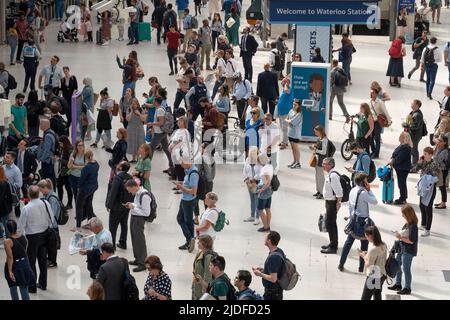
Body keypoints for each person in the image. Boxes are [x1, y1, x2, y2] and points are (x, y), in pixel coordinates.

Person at [18, 185, 56, 293]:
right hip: (44, 235)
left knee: (31, 262)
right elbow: (51, 219)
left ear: (29, 195)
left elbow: (20, 227)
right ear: (38, 193)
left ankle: (32, 286)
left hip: (32, 238)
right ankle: (43, 284)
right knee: (43, 261)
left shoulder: (26, 208)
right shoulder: (45, 203)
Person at [338, 173, 378, 273]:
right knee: (364, 245)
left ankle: (341, 263)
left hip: (354, 219)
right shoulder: (364, 192)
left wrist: (351, 217)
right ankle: (360, 268)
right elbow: (375, 201)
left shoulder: (353, 190)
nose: (367, 182)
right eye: (366, 180)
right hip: (363, 221)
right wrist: (370, 190)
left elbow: (350, 206)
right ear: (362, 182)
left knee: (348, 243)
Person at [388, 205, 419, 295]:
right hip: (402, 249)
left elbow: (411, 241)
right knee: (397, 266)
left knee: (406, 269)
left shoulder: (413, 226)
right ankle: (398, 284)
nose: (402, 216)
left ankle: (407, 288)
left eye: (403, 214)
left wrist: (400, 237)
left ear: (408, 214)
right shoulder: (407, 223)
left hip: (408, 251)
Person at [3, 219, 35, 300]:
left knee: (13, 287)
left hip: (14, 266)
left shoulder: (8, 241)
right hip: (24, 264)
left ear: (7, 229)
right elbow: (24, 250)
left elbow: (10, 257)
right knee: (24, 288)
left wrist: (10, 271)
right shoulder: (23, 237)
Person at [125, 179, 152, 272]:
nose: (129, 192)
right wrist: (131, 204)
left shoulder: (144, 195)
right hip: (134, 217)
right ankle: (137, 259)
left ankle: (143, 263)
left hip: (139, 219)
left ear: (134, 187)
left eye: (129, 189)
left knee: (140, 241)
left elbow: (146, 212)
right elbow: (137, 205)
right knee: (134, 239)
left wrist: (133, 208)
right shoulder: (137, 193)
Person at [106, 161, 133, 250]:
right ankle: (123, 242)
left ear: (120, 168)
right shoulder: (130, 177)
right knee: (124, 224)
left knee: (113, 227)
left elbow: (113, 192)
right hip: (126, 206)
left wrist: (109, 205)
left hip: (116, 206)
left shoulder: (117, 178)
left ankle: (112, 245)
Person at [413, 146, 439, 237]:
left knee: (428, 208)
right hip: (422, 187)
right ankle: (423, 224)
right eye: (423, 153)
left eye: (425, 154)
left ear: (431, 155)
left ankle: (427, 229)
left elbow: (435, 176)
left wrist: (425, 174)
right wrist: (419, 163)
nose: (423, 155)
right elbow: (415, 169)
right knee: (421, 205)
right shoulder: (423, 162)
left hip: (430, 189)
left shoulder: (434, 164)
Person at [175, 155, 199, 253]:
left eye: (182, 163)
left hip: (188, 201)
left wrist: (181, 188)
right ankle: (190, 239)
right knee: (180, 218)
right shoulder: (189, 171)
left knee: (187, 221)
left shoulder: (193, 173)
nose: (181, 165)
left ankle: (190, 239)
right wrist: (181, 184)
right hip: (185, 199)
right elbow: (188, 184)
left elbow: (193, 191)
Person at [252, 231, 285, 300]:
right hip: (277, 290)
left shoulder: (273, 258)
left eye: (266, 238)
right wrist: (264, 270)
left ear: (269, 241)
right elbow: (276, 270)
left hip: (272, 293)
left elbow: (273, 279)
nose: (264, 239)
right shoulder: (279, 251)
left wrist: (260, 274)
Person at [321, 157, 343, 254]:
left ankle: (333, 247)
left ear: (330, 165)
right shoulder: (329, 174)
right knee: (330, 224)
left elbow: (339, 191)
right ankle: (332, 242)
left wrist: (338, 203)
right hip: (329, 202)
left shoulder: (333, 176)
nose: (322, 165)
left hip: (332, 203)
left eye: (324, 163)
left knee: (331, 224)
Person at [73, 150, 99, 232]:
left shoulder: (86, 168)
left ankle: (78, 226)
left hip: (84, 189)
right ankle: (90, 223)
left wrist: (78, 187)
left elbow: (81, 180)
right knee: (89, 204)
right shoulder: (96, 164)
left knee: (79, 206)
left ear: (86, 157)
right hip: (93, 187)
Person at [37, 179, 60, 268]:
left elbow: (52, 214)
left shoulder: (52, 198)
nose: (41, 192)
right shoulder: (48, 196)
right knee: (49, 245)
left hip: (52, 227)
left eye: (41, 190)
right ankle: (50, 260)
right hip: (49, 226)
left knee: (52, 246)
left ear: (45, 188)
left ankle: (53, 262)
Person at [360, 226, 387, 300]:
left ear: (371, 236)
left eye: (366, 236)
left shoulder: (373, 250)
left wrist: (364, 257)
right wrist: (368, 254)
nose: (366, 238)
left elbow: (369, 266)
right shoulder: (384, 244)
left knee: (365, 298)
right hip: (382, 274)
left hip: (374, 277)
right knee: (377, 295)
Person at [389, 132, 413, 205]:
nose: (399, 136)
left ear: (404, 138)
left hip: (403, 168)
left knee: (401, 183)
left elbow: (400, 158)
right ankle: (404, 197)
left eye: (401, 136)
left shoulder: (406, 147)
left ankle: (402, 198)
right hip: (400, 167)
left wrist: (393, 162)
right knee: (402, 183)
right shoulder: (402, 145)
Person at [369, 88, 391, 159]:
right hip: (371, 122)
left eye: (373, 93)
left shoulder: (380, 102)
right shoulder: (370, 102)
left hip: (378, 122)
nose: (371, 94)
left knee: (377, 139)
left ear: (376, 94)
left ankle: (376, 154)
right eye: (371, 93)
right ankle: (373, 151)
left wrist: (389, 121)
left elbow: (385, 112)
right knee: (371, 138)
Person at [192, 235, 216, 300]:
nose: (197, 243)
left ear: (204, 243)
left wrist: (205, 293)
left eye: (199, 241)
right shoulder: (200, 253)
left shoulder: (208, 257)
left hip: (202, 292)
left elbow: (208, 276)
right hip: (196, 288)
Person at [243, 147, 262, 224]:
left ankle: (257, 217)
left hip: (257, 182)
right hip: (249, 183)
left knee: (257, 200)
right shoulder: (248, 159)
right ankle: (252, 216)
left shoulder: (260, 161)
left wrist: (254, 178)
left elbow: (261, 172)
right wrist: (246, 179)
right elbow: (244, 170)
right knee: (252, 200)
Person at [310, 126, 329, 199]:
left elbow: (323, 152)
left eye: (316, 131)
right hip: (317, 159)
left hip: (322, 160)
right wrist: (315, 146)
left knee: (321, 177)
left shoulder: (324, 140)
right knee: (317, 176)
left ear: (320, 131)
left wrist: (315, 150)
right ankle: (318, 190)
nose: (315, 133)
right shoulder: (319, 139)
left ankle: (322, 192)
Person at [36, 119, 57, 187]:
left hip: (47, 160)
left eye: (41, 124)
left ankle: (49, 192)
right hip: (50, 159)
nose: (39, 125)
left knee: (47, 179)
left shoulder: (47, 136)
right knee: (51, 177)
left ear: (45, 125)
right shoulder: (51, 132)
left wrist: (41, 158)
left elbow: (47, 150)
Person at [257, 153, 273, 232]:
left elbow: (267, 182)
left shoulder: (265, 169)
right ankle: (268, 225)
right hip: (270, 191)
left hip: (264, 190)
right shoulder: (270, 166)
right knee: (267, 208)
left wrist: (261, 189)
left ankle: (266, 227)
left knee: (260, 209)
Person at [125, 99, 145, 163]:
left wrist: (139, 113)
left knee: (140, 142)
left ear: (137, 104)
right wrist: (131, 111)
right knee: (132, 142)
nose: (133, 105)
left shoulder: (141, 109)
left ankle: (139, 159)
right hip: (131, 128)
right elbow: (128, 119)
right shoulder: (128, 109)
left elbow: (143, 119)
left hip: (139, 128)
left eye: (135, 104)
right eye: (132, 104)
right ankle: (133, 158)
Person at [406, 99, 425, 166]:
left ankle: (415, 165)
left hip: (415, 136)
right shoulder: (414, 112)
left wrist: (407, 126)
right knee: (412, 150)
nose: (411, 103)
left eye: (413, 103)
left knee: (414, 150)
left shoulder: (417, 115)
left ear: (416, 105)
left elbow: (416, 126)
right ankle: (413, 163)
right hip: (412, 135)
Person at [56, 136, 73, 210]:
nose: (60, 145)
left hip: (67, 173)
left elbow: (70, 163)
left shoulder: (70, 150)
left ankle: (70, 203)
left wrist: (60, 159)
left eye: (60, 143)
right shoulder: (62, 149)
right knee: (59, 186)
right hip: (61, 172)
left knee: (68, 188)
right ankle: (60, 202)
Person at [277, 77, 293, 149]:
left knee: (284, 128)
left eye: (283, 82)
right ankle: (283, 141)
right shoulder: (283, 90)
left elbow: (287, 90)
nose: (281, 83)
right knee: (281, 127)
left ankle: (284, 143)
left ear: (287, 83)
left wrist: (286, 85)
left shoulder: (289, 89)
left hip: (286, 112)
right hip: (281, 112)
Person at [286, 99, 302, 169]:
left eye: (295, 105)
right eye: (293, 104)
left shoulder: (299, 114)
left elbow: (291, 122)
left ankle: (298, 163)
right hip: (290, 133)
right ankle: (294, 161)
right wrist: (288, 120)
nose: (294, 106)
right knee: (293, 148)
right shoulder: (291, 111)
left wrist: (289, 120)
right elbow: (287, 119)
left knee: (296, 149)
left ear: (299, 106)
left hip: (295, 134)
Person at [434, 135, 449, 209]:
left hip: (443, 170)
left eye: (440, 141)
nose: (438, 142)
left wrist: (437, 148)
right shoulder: (440, 148)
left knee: (442, 187)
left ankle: (443, 203)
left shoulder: (445, 151)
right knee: (441, 186)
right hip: (439, 170)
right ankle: (442, 202)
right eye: (438, 140)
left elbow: (436, 159)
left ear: (445, 143)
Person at [0, 167, 14, 240]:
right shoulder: (5, 183)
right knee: (5, 223)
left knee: (5, 224)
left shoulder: (3, 184)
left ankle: (5, 238)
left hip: (3, 207)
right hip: (5, 207)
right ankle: (6, 238)